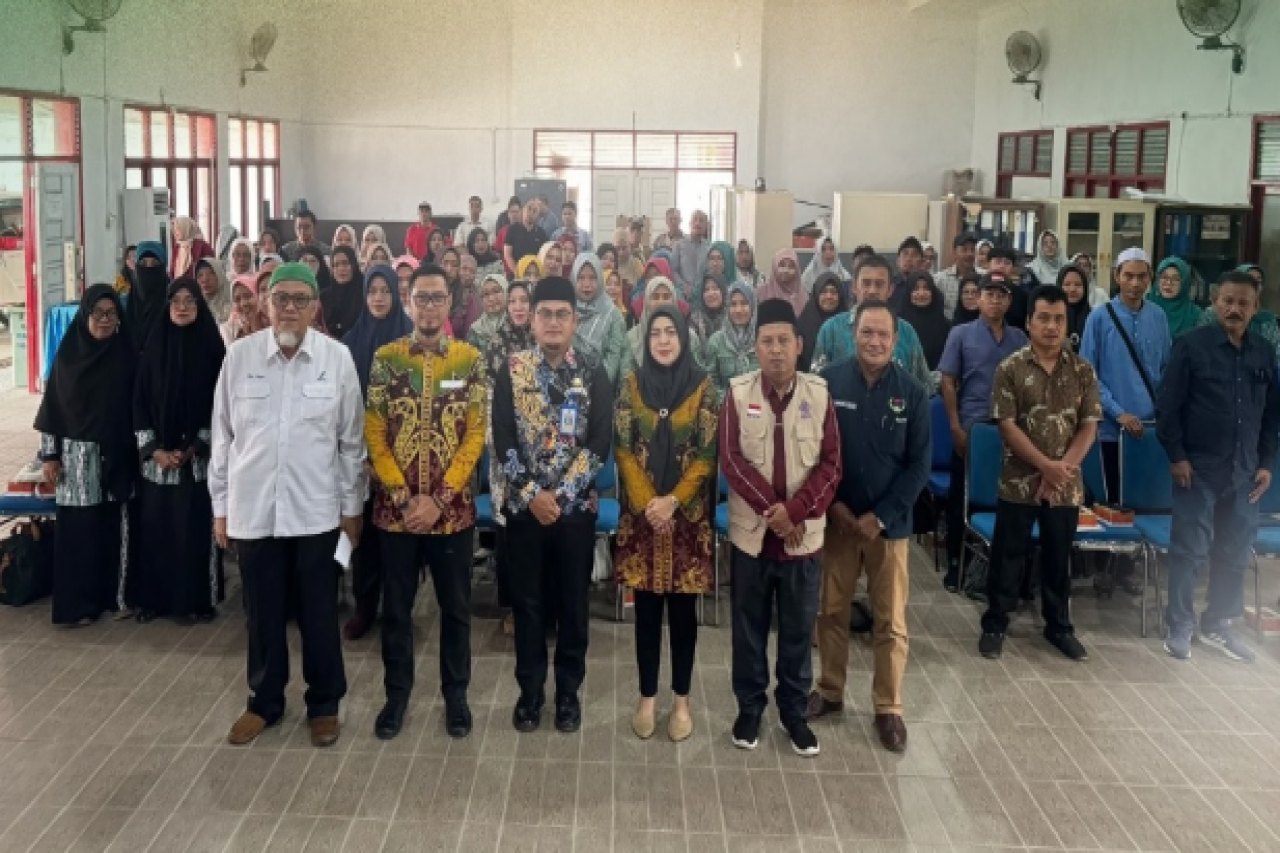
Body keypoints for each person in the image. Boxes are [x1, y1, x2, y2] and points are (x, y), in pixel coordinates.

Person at [212, 262, 365, 749]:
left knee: (319, 612)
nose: (290, 309)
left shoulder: (336, 359)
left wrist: (352, 509)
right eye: (281, 299)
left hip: (315, 510)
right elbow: (223, 438)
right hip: (254, 510)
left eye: (301, 300)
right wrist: (221, 507)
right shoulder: (239, 358)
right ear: (266, 304)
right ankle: (264, 701)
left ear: (315, 307)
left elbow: (351, 443)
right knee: (262, 613)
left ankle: (324, 704)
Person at [363, 263, 485, 740]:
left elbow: (475, 434)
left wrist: (439, 498)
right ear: (409, 302)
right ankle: (396, 697)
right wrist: (402, 496)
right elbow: (375, 431)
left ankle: (456, 697)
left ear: (450, 303)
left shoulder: (469, 360)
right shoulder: (387, 359)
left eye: (438, 298)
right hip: (396, 516)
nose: (430, 307)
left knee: (455, 611)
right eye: (422, 298)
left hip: (452, 514)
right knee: (396, 611)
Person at [490, 276, 613, 734]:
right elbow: (502, 438)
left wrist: (559, 497)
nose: (554, 322)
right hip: (524, 511)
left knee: (573, 605)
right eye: (545, 314)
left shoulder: (593, 370)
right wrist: (531, 494)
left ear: (575, 320)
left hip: (574, 512)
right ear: (532, 320)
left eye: (563, 314)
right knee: (528, 605)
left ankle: (567, 694)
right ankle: (530, 693)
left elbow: (599, 442)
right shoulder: (513, 369)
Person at [720, 298, 841, 757]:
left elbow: (831, 464)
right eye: (767, 341)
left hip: (802, 540)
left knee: (797, 631)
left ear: (799, 345)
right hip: (752, 538)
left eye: (783, 341)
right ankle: (749, 709)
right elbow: (732, 460)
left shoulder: (820, 395)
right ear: (755, 347)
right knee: (748, 630)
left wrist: (797, 512)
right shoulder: (737, 394)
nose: (775, 350)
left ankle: (793, 712)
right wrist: (776, 512)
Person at [807, 300, 929, 753]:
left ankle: (888, 707)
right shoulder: (828, 382)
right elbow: (815, 450)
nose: (874, 341)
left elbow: (918, 466)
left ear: (895, 340)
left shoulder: (912, 392)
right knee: (830, 611)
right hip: (838, 521)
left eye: (883, 335)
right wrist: (834, 505)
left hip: (888, 528)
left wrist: (881, 517)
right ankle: (829, 690)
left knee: (890, 621)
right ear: (852, 334)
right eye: (866, 333)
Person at [1157, 270, 1280, 662]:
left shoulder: (1264, 352)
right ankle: (1180, 624)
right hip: (1198, 469)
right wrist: (1177, 456)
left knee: (1235, 550)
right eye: (1228, 301)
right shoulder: (1191, 346)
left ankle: (1218, 623)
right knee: (1190, 549)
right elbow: (1168, 408)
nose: (1234, 309)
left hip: (1245, 472)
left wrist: (1266, 462)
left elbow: (1272, 415)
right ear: (1214, 303)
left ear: (1255, 308)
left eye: (1243, 303)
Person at [979, 285, 1101, 662]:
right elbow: (1006, 425)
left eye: (1059, 319)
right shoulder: (1010, 368)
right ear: (1029, 322)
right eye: (1044, 318)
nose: (1051, 326)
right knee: (1008, 555)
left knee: (1059, 556)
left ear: (1067, 325)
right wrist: (1045, 466)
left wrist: (1060, 471)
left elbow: (1089, 426)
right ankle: (995, 623)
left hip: (1065, 485)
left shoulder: (1082, 370)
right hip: (1019, 481)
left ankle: (1058, 626)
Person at [614, 305, 717, 742]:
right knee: (646, 613)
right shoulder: (631, 385)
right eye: (655, 332)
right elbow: (622, 448)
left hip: (686, 521)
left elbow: (707, 455)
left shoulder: (704, 387)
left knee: (683, 615)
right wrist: (649, 504)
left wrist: (672, 502)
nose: (662, 340)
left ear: (683, 338)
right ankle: (647, 697)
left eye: (670, 332)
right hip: (643, 522)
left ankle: (681, 701)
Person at [36, 284, 139, 627]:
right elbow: (51, 409)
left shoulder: (127, 357)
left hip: (119, 458)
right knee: (80, 533)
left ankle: (115, 598)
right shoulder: (68, 358)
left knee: (114, 529)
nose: (105, 320)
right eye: (98, 313)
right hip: (77, 461)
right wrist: (50, 456)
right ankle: (78, 606)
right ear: (85, 315)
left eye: (112, 314)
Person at [131, 277, 226, 624]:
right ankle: (155, 601)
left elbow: (221, 406)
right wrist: (154, 450)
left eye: (190, 300)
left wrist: (194, 447)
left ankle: (194, 601)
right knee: (156, 531)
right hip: (157, 462)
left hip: (196, 461)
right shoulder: (153, 347)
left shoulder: (213, 351)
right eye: (176, 300)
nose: (182, 307)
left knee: (193, 531)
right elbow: (139, 403)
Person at [938, 272, 1028, 592]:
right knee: (962, 500)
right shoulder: (961, 334)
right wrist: (954, 426)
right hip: (973, 428)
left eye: (1001, 295)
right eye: (989, 294)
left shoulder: (1019, 338)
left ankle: (999, 568)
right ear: (978, 299)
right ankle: (956, 564)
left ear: (1009, 301)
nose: (995, 300)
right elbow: (947, 381)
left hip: (1010, 430)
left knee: (1005, 500)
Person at [339, 264, 414, 641]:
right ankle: (364, 607)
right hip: (363, 457)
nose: (379, 298)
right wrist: (365, 457)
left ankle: (399, 611)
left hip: (404, 457)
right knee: (365, 537)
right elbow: (347, 407)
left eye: (385, 291)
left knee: (400, 541)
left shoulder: (410, 339)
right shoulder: (350, 344)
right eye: (373, 291)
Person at [1079, 248, 1171, 524]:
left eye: (1141, 277)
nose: (1135, 283)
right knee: (1114, 505)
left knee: (1148, 503)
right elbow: (1087, 375)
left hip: (1151, 430)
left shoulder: (1158, 316)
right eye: (1128, 276)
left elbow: (1166, 368)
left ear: (1150, 278)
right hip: (1112, 430)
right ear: (1116, 276)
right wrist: (1118, 412)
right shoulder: (1099, 317)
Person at [809, 256, 931, 388]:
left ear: (890, 290)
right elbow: (816, 385)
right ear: (854, 287)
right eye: (866, 283)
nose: (872, 291)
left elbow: (923, 386)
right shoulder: (831, 329)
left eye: (879, 284)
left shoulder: (906, 332)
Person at [1198, 264, 1280, 358]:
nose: (1235, 309)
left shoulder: (1267, 319)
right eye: (1249, 279)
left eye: (1258, 282)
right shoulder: (1212, 313)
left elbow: (1276, 353)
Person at [571, 253, 628, 387]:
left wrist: (596, 387)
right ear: (573, 279)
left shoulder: (613, 314)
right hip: (566, 385)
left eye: (592, 278)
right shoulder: (566, 310)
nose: (586, 284)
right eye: (581, 278)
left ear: (600, 280)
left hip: (601, 386)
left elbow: (613, 356)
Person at [627, 277, 699, 377]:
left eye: (666, 297)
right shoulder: (632, 337)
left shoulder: (690, 336)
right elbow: (627, 375)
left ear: (674, 300)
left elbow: (696, 373)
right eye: (655, 297)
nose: (661, 302)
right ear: (647, 301)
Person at [705, 282, 759, 397]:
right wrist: (730, 402)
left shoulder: (762, 339)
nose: (738, 310)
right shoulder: (716, 341)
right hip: (727, 404)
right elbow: (711, 384)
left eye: (744, 303)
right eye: (733, 304)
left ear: (753, 306)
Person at [896, 271, 950, 374]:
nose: (921, 293)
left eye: (926, 288)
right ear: (908, 292)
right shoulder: (898, 324)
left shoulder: (945, 325)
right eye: (916, 289)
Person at [797, 272, 847, 373]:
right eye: (823, 292)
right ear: (816, 294)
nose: (829, 296)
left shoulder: (847, 324)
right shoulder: (804, 323)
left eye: (833, 292)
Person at [125, 242, 170, 352]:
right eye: (143, 263)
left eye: (155, 263)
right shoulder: (123, 305)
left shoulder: (174, 302)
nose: (149, 268)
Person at [1148, 257, 1203, 340]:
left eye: (1176, 279)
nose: (1169, 283)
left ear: (1185, 283)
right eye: (1164, 277)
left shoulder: (1195, 315)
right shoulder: (1143, 306)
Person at [319, 246, 365, 340]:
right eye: (336, 265)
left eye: (345, 263)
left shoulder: (365, 294)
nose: (341, 269)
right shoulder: (324, 296)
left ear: (353, 265)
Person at [934, 233, 983, 319]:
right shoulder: (940, 279)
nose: (969, 254)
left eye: (972, 250)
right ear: (954, 253)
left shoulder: (984, 276)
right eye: (964, 250)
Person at [441, 247, 481, 341]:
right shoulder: (434, 290)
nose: (467, 274)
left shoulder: (470, 298)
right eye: (464, 268)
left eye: (472, 271)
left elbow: (470, 333)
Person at [671, 210, 711, 299]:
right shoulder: (678, 245)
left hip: (704, 295)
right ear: (690, 224)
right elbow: (673, 271)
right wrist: (684, 287)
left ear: (706, 226)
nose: (698, 223)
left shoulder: (709, 247)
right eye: (695, 220)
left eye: (701, 220)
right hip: (682, 294)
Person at [756, 247, 808, 316]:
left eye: (791, 266)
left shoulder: (803, 295)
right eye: (782, 265)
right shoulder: (761, 293)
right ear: (774, 266)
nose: (786, 270)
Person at [467, 272, 509, 355]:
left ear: (506, 293)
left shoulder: (517, 324)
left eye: (496, 291)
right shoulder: (475, 330)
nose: (491, 298)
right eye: (486, 294)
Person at [986, 246, 1028, 329]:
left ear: (1013, 268)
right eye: (998, 262)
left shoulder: (1022, 296)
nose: (1002, 266)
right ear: (988, 264)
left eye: (1007, 263)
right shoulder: (978, 289)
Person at [504, 199, 548, 276]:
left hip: (534, 275)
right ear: (523, 210)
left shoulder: (541, 233)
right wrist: (517, 272)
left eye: (534, 211)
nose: (530, 213)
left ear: (538, 215)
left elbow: (543, 256)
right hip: (515, 273)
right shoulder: (513, 229)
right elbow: (507, 255)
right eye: (529, 209)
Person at [222, 273, 269, 345]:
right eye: (237, 299)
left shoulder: (272, 322)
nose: (243, 303)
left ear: (258, 296)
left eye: (248, 296)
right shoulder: (229, 331)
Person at [1057, 264, 1093, 352]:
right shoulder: (1052, 318)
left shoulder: (1093, 317)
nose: (1072, 289)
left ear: (1085, 288)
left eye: (1078, 284)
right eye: (1067, 284)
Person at [171, 215, 214, 280]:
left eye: (177, 229)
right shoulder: (177, 247)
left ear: (186, 228)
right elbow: (173, 271)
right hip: (179, 284)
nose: (174, 232)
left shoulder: (202, 246)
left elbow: (211, 268)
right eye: (173, 229)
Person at [194, 258, 233, 326]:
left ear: (220, 275)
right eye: (200, 275)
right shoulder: (194, 305)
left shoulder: (233, 302)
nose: (205, 279)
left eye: (211, 273)